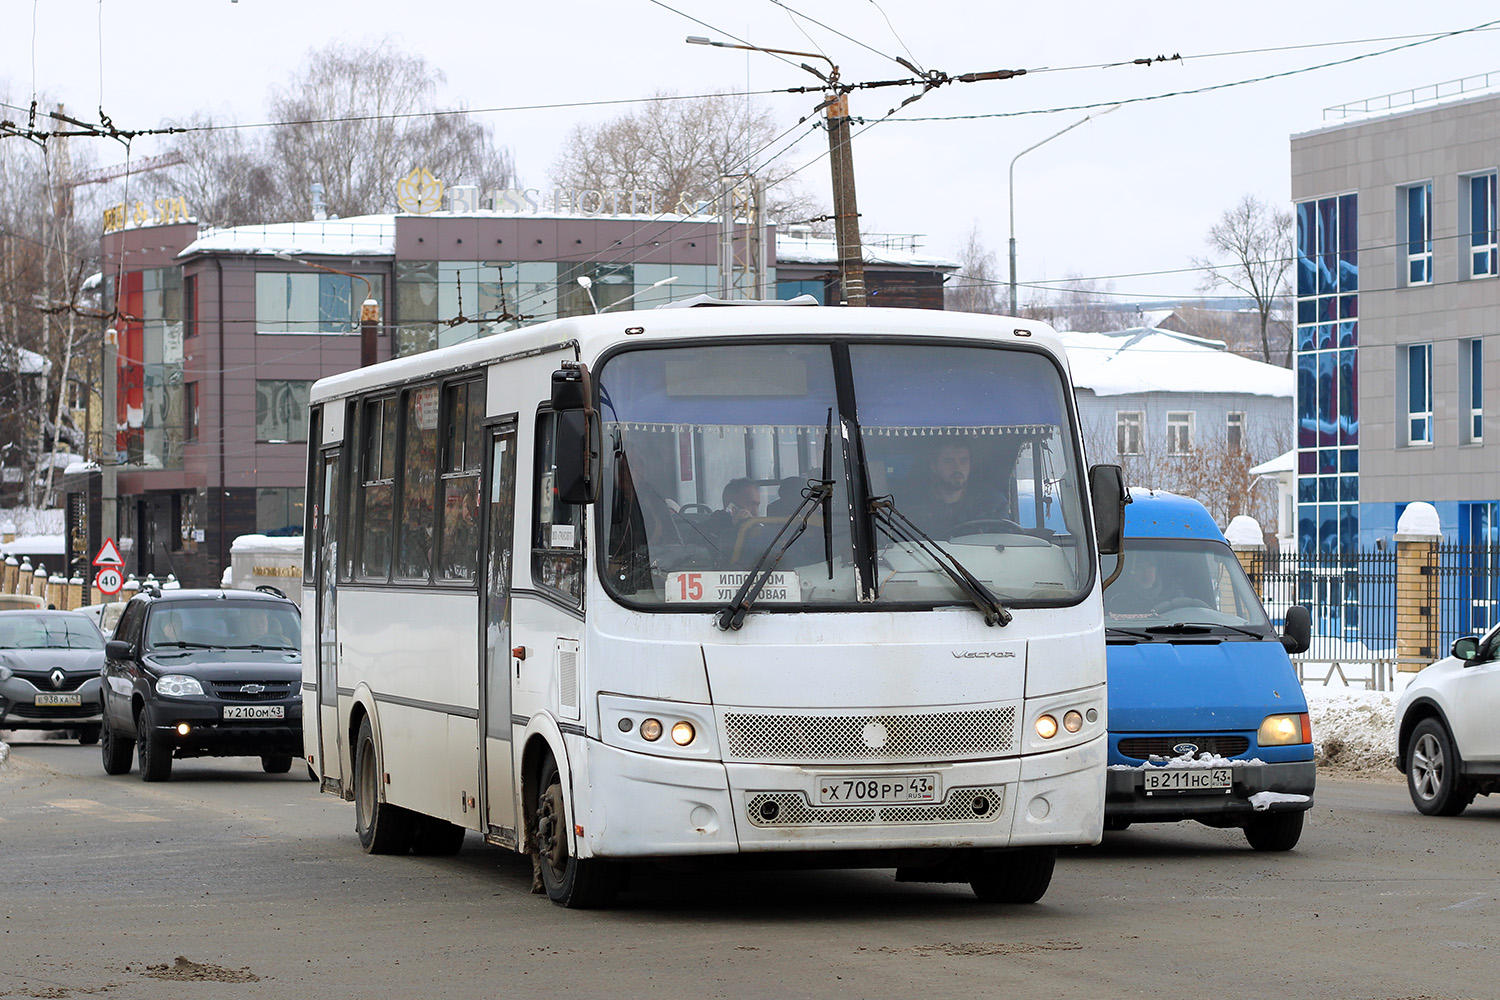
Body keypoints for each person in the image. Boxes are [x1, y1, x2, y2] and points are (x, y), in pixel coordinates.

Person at [903, 439, 1003, 538]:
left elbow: (1006, 544)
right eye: (949, 461)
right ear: (934, 467)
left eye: (964, 461)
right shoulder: (913, 505)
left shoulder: (992, 502)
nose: (958, 468)